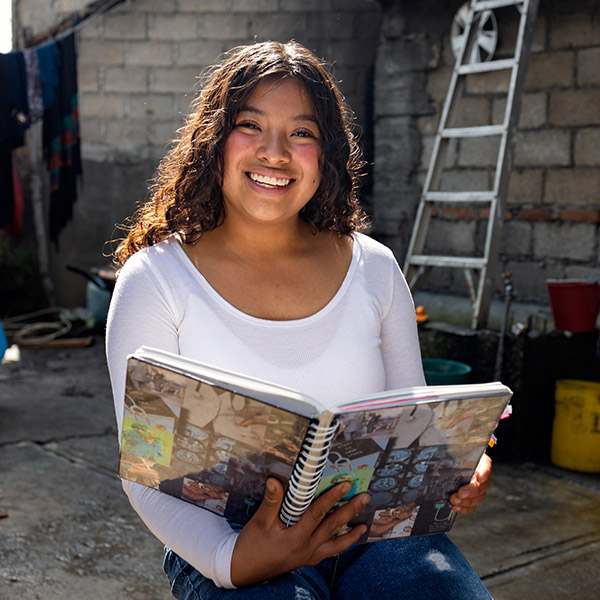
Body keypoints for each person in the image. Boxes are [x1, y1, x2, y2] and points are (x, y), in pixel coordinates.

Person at [106, 40, 493, 599]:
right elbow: (145, 475)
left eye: (302, 133)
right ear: (214, 142)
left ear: (327, 154)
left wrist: (455, 472)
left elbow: (414, 429)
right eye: (250, 125)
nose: (274, 152)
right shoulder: (156, 280)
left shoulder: (375, 269)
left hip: (378, 534)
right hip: (233, 542)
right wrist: (230, 557)